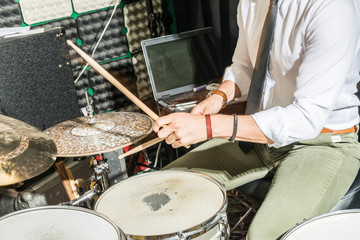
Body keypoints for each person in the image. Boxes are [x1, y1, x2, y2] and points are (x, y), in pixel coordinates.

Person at [153, 0, 360, 239]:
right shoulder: (252, 2)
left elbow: (305, 118)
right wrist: (219, 96)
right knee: (163, 188)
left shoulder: (332, 8)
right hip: (261, 136)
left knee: (262, 235)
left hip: (323, 142)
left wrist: (209, 127)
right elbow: (246, 65)